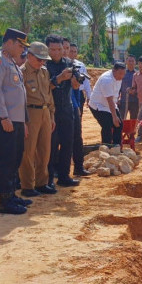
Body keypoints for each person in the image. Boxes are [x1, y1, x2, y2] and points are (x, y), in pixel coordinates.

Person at [0, 28, 32, 214]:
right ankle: (4, 200)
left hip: (16, 119)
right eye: (20, 45)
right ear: (10, 42)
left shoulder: (11, 61)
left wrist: (23, 121)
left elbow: (20, 94)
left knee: (15, 157)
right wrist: (3, 116)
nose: (22, 49)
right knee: (5, 159)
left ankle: (11, 194)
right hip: (2, 119)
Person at [19, 42, 57, 197]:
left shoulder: (44, 72)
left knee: (44, 150)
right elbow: (18, 99)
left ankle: (42, 182)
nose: (42, 62)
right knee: (28, 151)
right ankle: (27, 186)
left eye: (44, 60)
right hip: (30, 114)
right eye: (39, 59)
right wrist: (23, 121)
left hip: (45, 113)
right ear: (29, 56)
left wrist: (52, 115)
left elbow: (49, 95)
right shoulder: (21, 72)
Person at [45, 34, 81, 187]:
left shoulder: (68, 63)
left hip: (67, 109)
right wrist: (59, 78)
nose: (56, 52)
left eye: (59, 49)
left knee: (68, 143)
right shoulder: (44, 65)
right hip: (50, 111)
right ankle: (48, 179)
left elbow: (75, 86)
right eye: (52, 49)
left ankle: (64, 176)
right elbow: (45, 87)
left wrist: (74, 80)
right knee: (50, 146)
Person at [90, 62, 125, 145]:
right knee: (107, 126)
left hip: (110, 104)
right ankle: (106, 148)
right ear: (114, 71)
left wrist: (116, 116)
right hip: (98, 106)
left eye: (123, 74)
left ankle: (116, 147)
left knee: (119, 125)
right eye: (120, 73)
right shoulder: (107, 80)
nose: (122, 76)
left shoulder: (118, 77)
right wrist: (114, 116)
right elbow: (109, 100)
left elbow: (114, 97)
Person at [67, 43, 90, 177]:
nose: (72, 53)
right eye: (70, 51)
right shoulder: (60, 66)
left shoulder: (80, 66)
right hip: (62, 102)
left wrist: (88, 97)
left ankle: (78, 166)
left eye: (75, 51)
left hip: (76, 99)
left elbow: (84, 84)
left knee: (77, 134)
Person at [119, 55, 138, 121]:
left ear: (135, 62)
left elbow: (141, 87)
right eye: (129, 61)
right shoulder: (122, 73)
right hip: (124, 101)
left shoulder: (138, 74)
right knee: (121, 119)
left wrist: (135, 91)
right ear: (126, 62)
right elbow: (118, 87)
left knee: (133, 120)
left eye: (132, 61)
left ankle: (132, 131)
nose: (131, 63)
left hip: (135, 101)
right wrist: (118, 98)